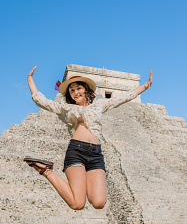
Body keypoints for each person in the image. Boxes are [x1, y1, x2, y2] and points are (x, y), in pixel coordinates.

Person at [25, 66, 152, 210]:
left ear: (86, 90)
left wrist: (145, 86)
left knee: (98, 202)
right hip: (76, 151)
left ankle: (47, 170)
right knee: (77, 204)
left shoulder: (99, 105)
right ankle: (45, 170)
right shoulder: (65, 108)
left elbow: (124, 98)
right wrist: (30, 79)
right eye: (71, 90)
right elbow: (41, 101)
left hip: (96, 154)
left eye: (78, 88)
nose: (75, 92)